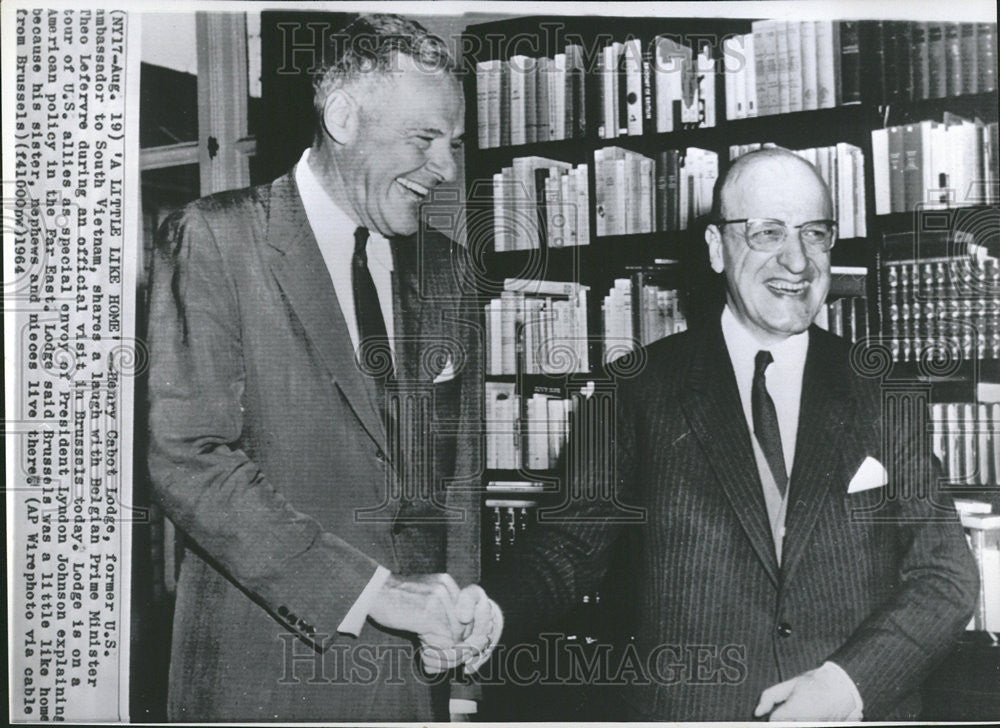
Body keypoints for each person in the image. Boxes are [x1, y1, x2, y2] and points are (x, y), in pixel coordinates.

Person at [483, 148, 979, 720]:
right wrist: (490, 610)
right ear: (718, 249)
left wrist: (845, 685)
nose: (797, 261)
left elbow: (945, 575)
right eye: (768, 233)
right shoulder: (637, 388)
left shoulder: (885, 388)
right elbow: (568, 549)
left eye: (815, 234)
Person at [147, 14, 496, 722]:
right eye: (424, 140)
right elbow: (191, 460)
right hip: (265, 684)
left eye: (453, 144)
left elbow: (458, 480)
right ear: (342, 116)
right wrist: (374, 592)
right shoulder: (215, 238)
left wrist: (461, 668)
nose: (447, 168)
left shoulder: (449, 271)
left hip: (413, 691)